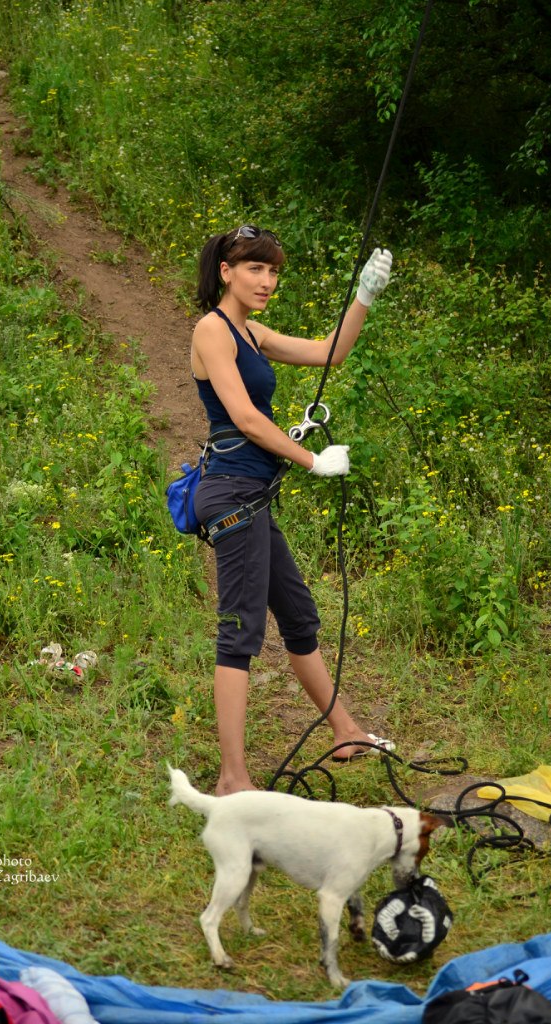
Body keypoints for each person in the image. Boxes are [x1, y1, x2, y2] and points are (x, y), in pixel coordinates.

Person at [191, 224, 393, 795]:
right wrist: (312, 460)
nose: (267, 280)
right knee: (240, 631)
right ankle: (233, 779)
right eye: (256, 268)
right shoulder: (212, 330)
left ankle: (345, 731)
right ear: (226, 271)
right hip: (231, 495)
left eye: (274, 271)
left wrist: (364, 296)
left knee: (298, 617)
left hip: (252, 497)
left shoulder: (251, 332)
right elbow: (247, 418)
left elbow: (332, 351)